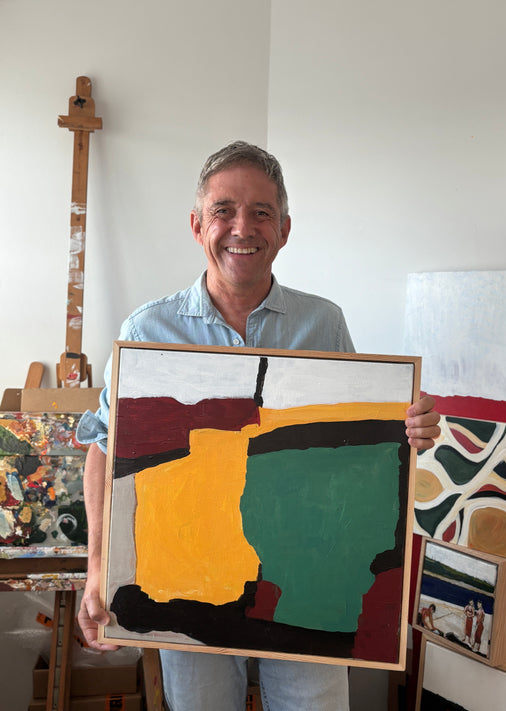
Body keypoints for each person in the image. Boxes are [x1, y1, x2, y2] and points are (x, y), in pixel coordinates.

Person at [76, 141, 441, 711]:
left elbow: (358, 443)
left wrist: (409, 429)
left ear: (284, 229)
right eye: (223, 210)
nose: (241, 228)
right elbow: (104, 448)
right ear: (197, 226)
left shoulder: (323, 323)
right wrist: (98, 566)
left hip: (308, 575)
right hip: (184, 575)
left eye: (261, 212)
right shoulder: (147, 330)